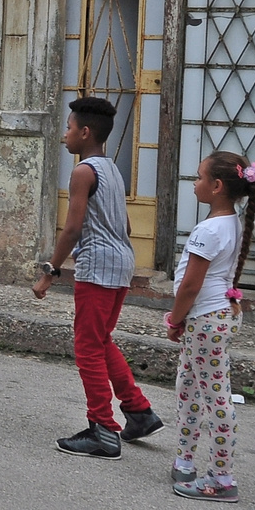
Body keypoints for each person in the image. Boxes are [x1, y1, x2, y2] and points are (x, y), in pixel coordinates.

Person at [31, 96, 162, 457]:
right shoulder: (112, 169)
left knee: (88, 347)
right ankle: (139, 411)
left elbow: (72, 229)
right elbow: (127, 224)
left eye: (69, 128)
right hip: (121, 265)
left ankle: (102, 429)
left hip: (98, 267)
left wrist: (49, 272)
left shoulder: (82, 171)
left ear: (85, 132)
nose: (65, 135)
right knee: (101, 340)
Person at [166, 152, 255, 503]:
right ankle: (185, 460)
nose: (194, 182)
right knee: (189, 388)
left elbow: (191, 285)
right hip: (211, 319)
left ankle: (222, 477)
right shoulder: (231, 221)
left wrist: (174, 319)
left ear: (217, 186)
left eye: (199, 176)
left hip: (205, 319)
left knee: (215, 397)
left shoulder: (209, 230)